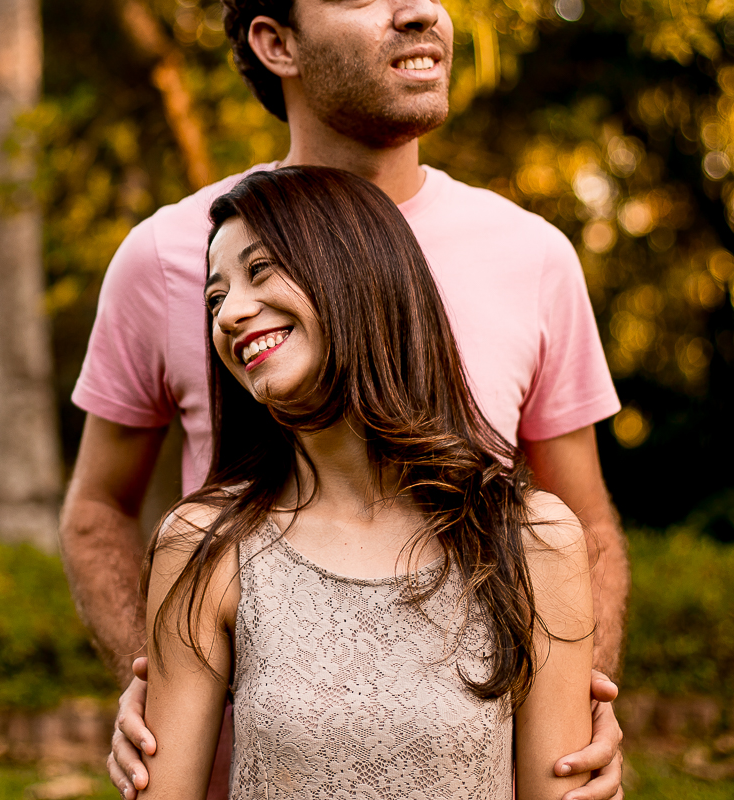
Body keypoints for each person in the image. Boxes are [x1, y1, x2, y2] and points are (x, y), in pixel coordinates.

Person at [59, 1, 629, 798]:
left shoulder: (533, 255)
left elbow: (584, 521)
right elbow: (95, 511)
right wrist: (163, 680)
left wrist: (575, 701)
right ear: (276, 41)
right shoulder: (167, 253)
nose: (422, 10)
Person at [141, 164, 594, 800]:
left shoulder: (533, 541)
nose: (230, 315)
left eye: (261, 270)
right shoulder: (203, 546)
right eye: (215, 299)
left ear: (357, 273)